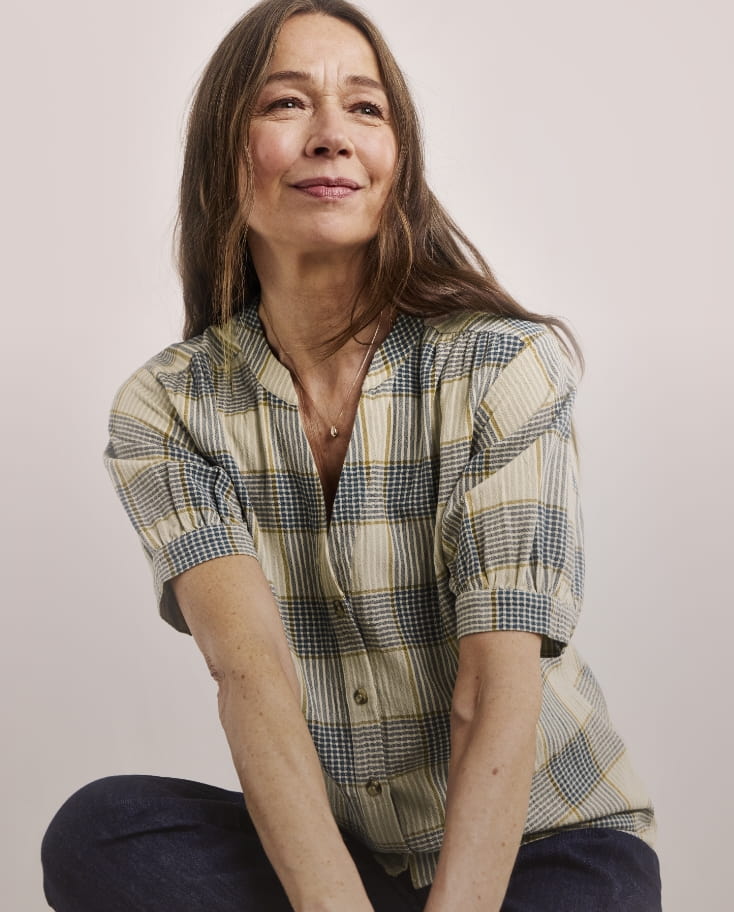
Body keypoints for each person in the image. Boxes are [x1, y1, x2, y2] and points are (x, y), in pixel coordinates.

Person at [41, 1, 662, 909]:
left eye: (366, 109)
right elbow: (253, 680)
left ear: (396, 161)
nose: (333, 135)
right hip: (346, 858)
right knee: (102, 833)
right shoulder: (167, 409)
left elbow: (494, 693)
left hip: (541, 844)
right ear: (224, 149)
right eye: (287, 102)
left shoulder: (502, 366)